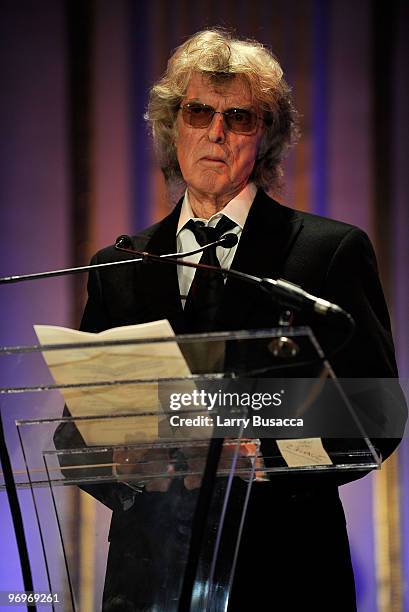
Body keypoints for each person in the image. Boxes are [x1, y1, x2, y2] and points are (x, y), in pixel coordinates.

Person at [56, 29, 406, 611]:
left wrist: (262, 452)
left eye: (238, 117)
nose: (215, 132)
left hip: (284, 576)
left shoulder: (326, 252)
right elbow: (75, 437)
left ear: (264, 135)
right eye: (198, 111)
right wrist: (120, 460)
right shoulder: (121, 266)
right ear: (174, 125)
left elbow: (374, 413)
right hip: (148, 586)